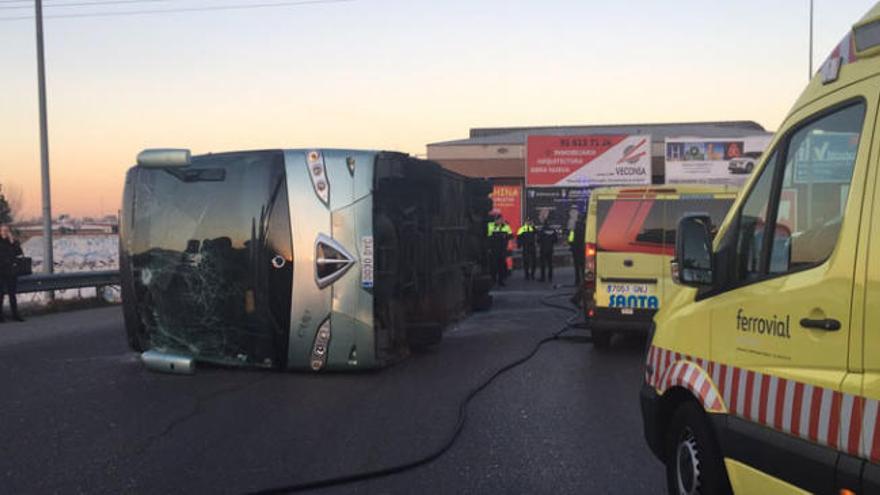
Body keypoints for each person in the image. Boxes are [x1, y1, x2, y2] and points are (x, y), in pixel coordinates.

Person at [0, 224, 24, 322]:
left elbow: (19, 253)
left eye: (7, 230)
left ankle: (15, 315)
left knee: (12, 294)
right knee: (0, 295)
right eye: (3, 230)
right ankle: (0, 317)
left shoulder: (13, 242)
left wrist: (12, 241)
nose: (5, 232)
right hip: (1, 271)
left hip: (11, 271)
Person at [487, 215, 512, 286]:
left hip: (502, 250)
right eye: (498, 220)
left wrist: (505, 236)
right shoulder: (491, 226)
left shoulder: (506, 227)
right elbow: (488, 238)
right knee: (493, 266)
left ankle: (501, 281)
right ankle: (493, 280)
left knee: (501, 266)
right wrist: (489, 248)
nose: (500, 221)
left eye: (501, 220)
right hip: (494, 250)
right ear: (495, 220)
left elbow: (511, 236)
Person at [568, 213, 587, 287]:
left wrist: (571, 245)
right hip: (583, 249)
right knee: (583, 266)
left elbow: (570, 240)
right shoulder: (585, 228)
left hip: (575, 250)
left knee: (576, 266)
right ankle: (584, 280)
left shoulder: (574, 229)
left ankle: (577, 280)